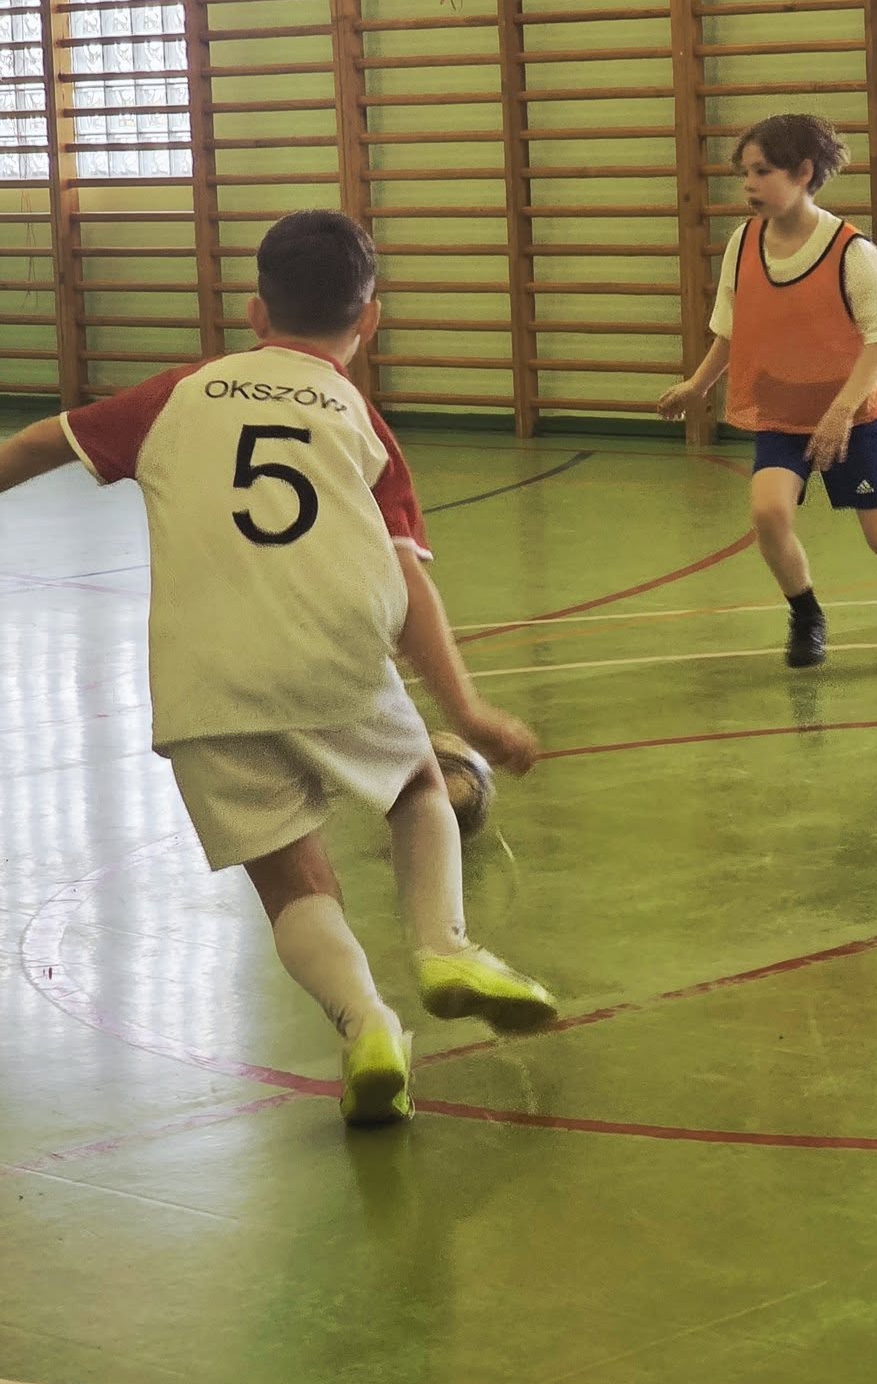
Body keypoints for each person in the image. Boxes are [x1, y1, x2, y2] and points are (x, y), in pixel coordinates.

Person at [0, 210, 558, 1125]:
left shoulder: (177, 394)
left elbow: (34, 445)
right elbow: (408, 582)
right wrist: (468, 708)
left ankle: (366, 1023)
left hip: (201, 677)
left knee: (290, 879)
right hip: (332, 653)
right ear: (369, 319)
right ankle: (445, 946)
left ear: (256, 313)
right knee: (420, 784)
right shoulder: (357, 419)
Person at [657, 112, 877, 669]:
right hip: (781, 413)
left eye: (763, 171)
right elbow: (731, 328)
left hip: (850, 418)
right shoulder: (743, 243)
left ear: (803, 173)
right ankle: (806, 616)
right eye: (745, 173)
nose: (749, 184)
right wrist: (698, 384)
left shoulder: (850, 251)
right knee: (768, 513)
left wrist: (842, 410)